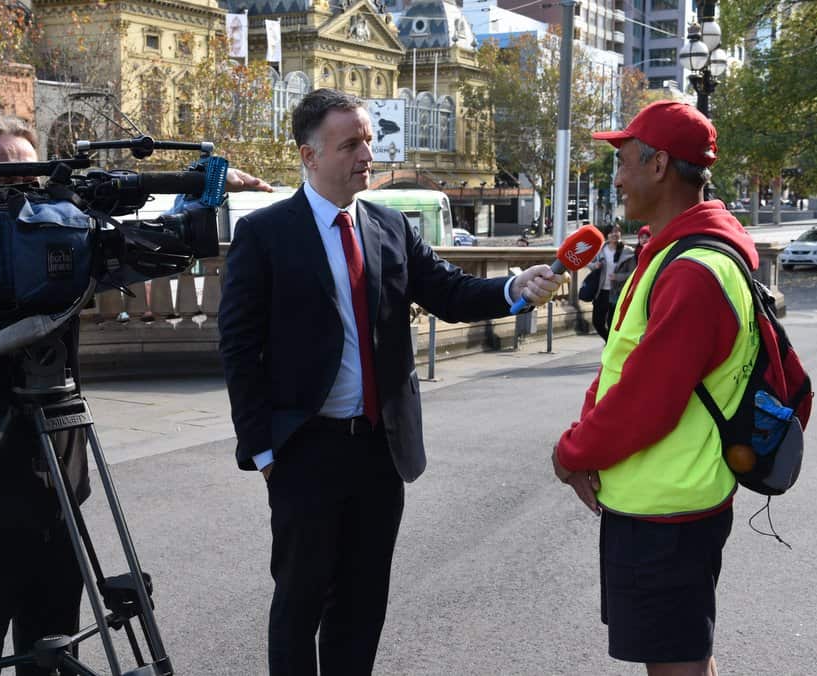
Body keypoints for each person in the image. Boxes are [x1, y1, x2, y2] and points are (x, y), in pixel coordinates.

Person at [0, 113, 272, 674]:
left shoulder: (66, 239)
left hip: (58, 502)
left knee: (56, 659)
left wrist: (204, 186)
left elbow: (161, 240)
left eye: (28, 180)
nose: (17, 197)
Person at [217, 88, 561, 675]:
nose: (366, 154)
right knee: (300, 603)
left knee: (362, 602)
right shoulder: (265, 234)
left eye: (369, 141)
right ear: (309, 155)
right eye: (350, 144)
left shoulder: (390, 225)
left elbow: (450, 292)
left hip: (380, 449)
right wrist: (267, 450)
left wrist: (512, 286)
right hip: (305, 450)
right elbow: (239, 348)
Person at [550, 100, 759, 676]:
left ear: (660, 165)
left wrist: (570, 453)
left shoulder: (691, 270)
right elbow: (623, 363)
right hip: (666, 499)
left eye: (623, 161)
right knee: (683, 655)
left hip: (667, 509)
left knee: (677, 665)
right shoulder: (676, 250)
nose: (616, 178)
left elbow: (647, 402)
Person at [588, 223, 635, 341]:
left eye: (617, 231)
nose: (614, 234)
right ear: (606, 235)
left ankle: (611, 346)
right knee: (597, 322)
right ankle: (609, 342)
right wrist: (595, 265)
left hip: (617, 292)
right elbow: (589, 263)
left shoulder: (628, 252)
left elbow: (633, 273)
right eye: (611, 232)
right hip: (601, 291)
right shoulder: (600, 250)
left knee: (612, 323)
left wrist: (617, 277)